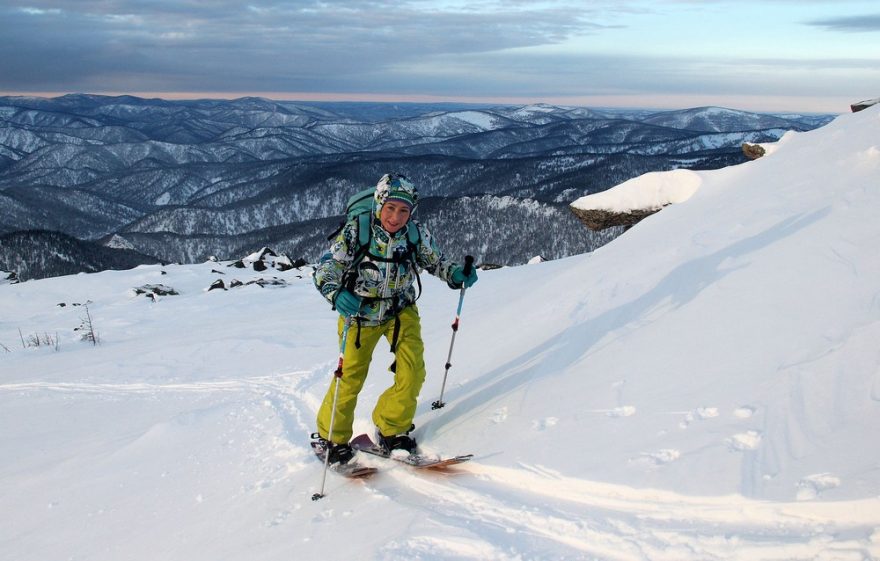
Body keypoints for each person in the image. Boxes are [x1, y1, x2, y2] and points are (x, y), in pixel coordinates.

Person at [312, 172, 478, 464]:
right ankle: (331, 439)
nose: (396, 216)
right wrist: (336, 294)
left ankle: (392, 428)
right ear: (379, 204)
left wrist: (454, 274)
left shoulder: (415, 234)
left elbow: (435, 262)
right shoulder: (357, 231)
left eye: (404, 210)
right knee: (349, 376)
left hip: (401, 311)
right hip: (359, 315)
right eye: (390, 208)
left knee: (412, 371)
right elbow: (327, 268)